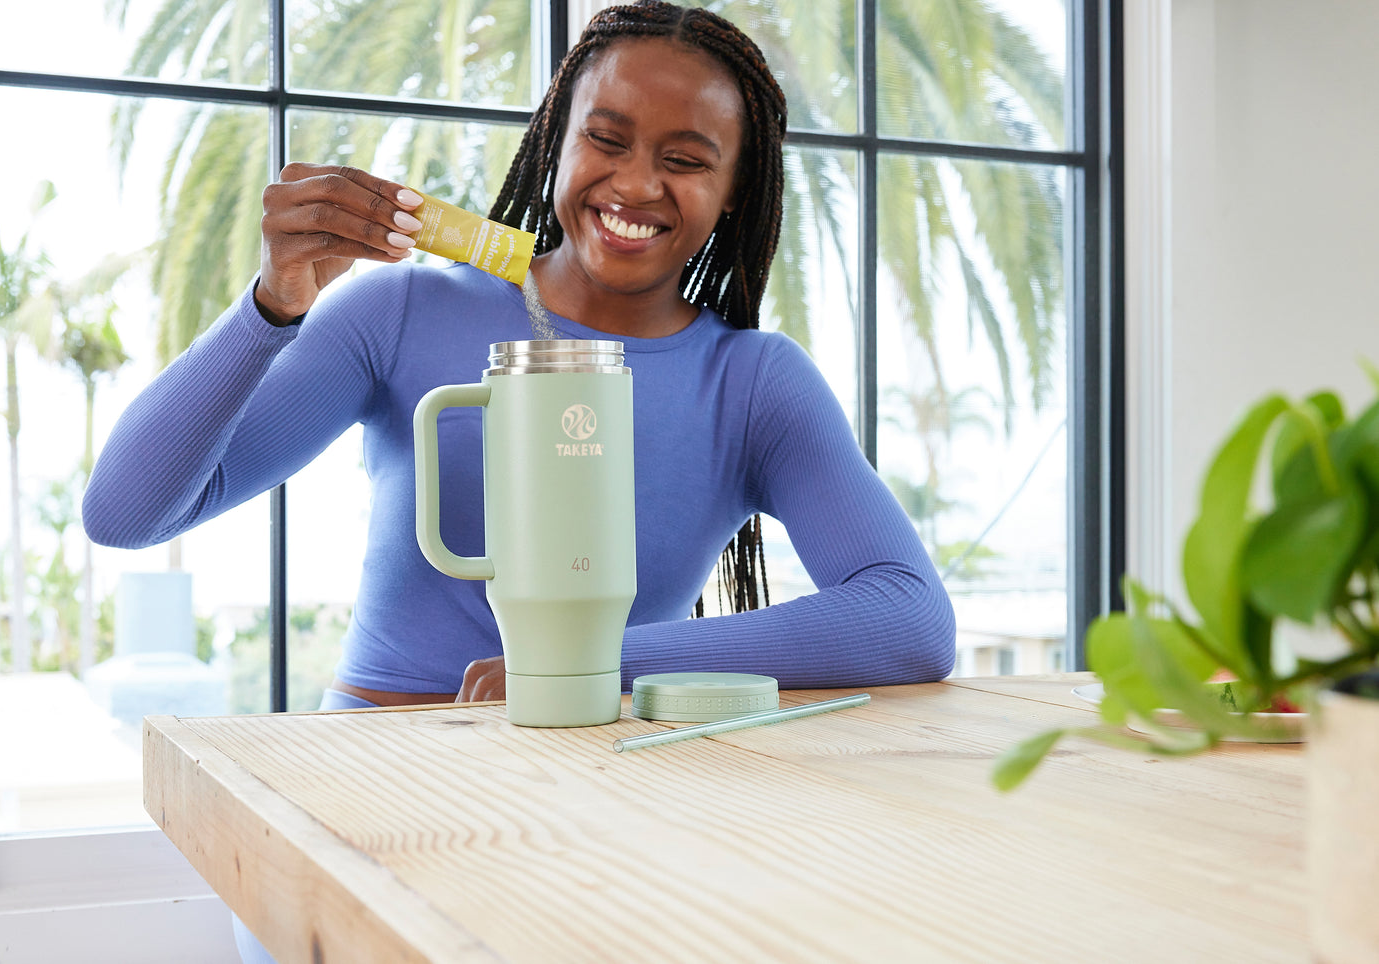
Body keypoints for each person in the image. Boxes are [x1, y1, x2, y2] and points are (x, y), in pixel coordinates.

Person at [83, 2, 955, 957]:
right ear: (554, 142)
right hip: (364, 785)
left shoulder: (751, 384)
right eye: (605, 139)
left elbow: (909, 618)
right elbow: (126, 513)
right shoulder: (400, 314)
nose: (636, 183)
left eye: (685, 159)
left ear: (736, 192)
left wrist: (593, 665)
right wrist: (273, 303)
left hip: (589, 799)